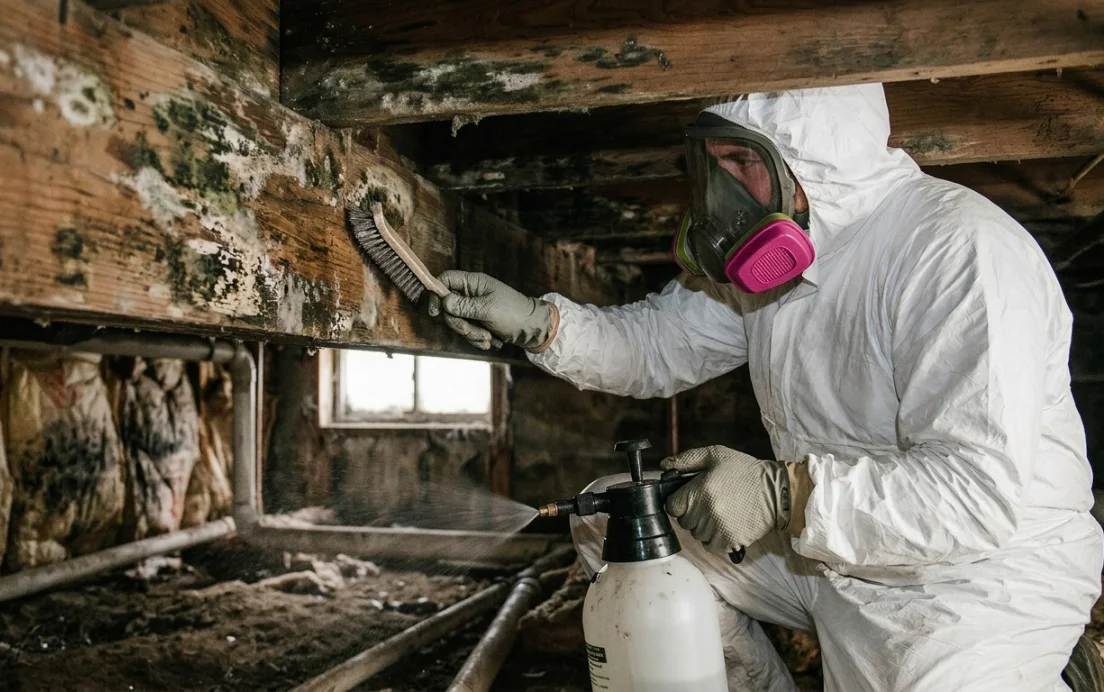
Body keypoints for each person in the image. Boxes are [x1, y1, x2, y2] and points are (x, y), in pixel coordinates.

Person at [427, 84, 1103, 691]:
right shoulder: (772, 263)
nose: (721, 189)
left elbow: (974, 497)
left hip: (969, 582)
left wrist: (784, 495)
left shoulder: (956, 252)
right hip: (822, 555)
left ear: (813, 165)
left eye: (741, 163)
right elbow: (658, 345)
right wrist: (538, 324)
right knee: (614, 523)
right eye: (713, 163)